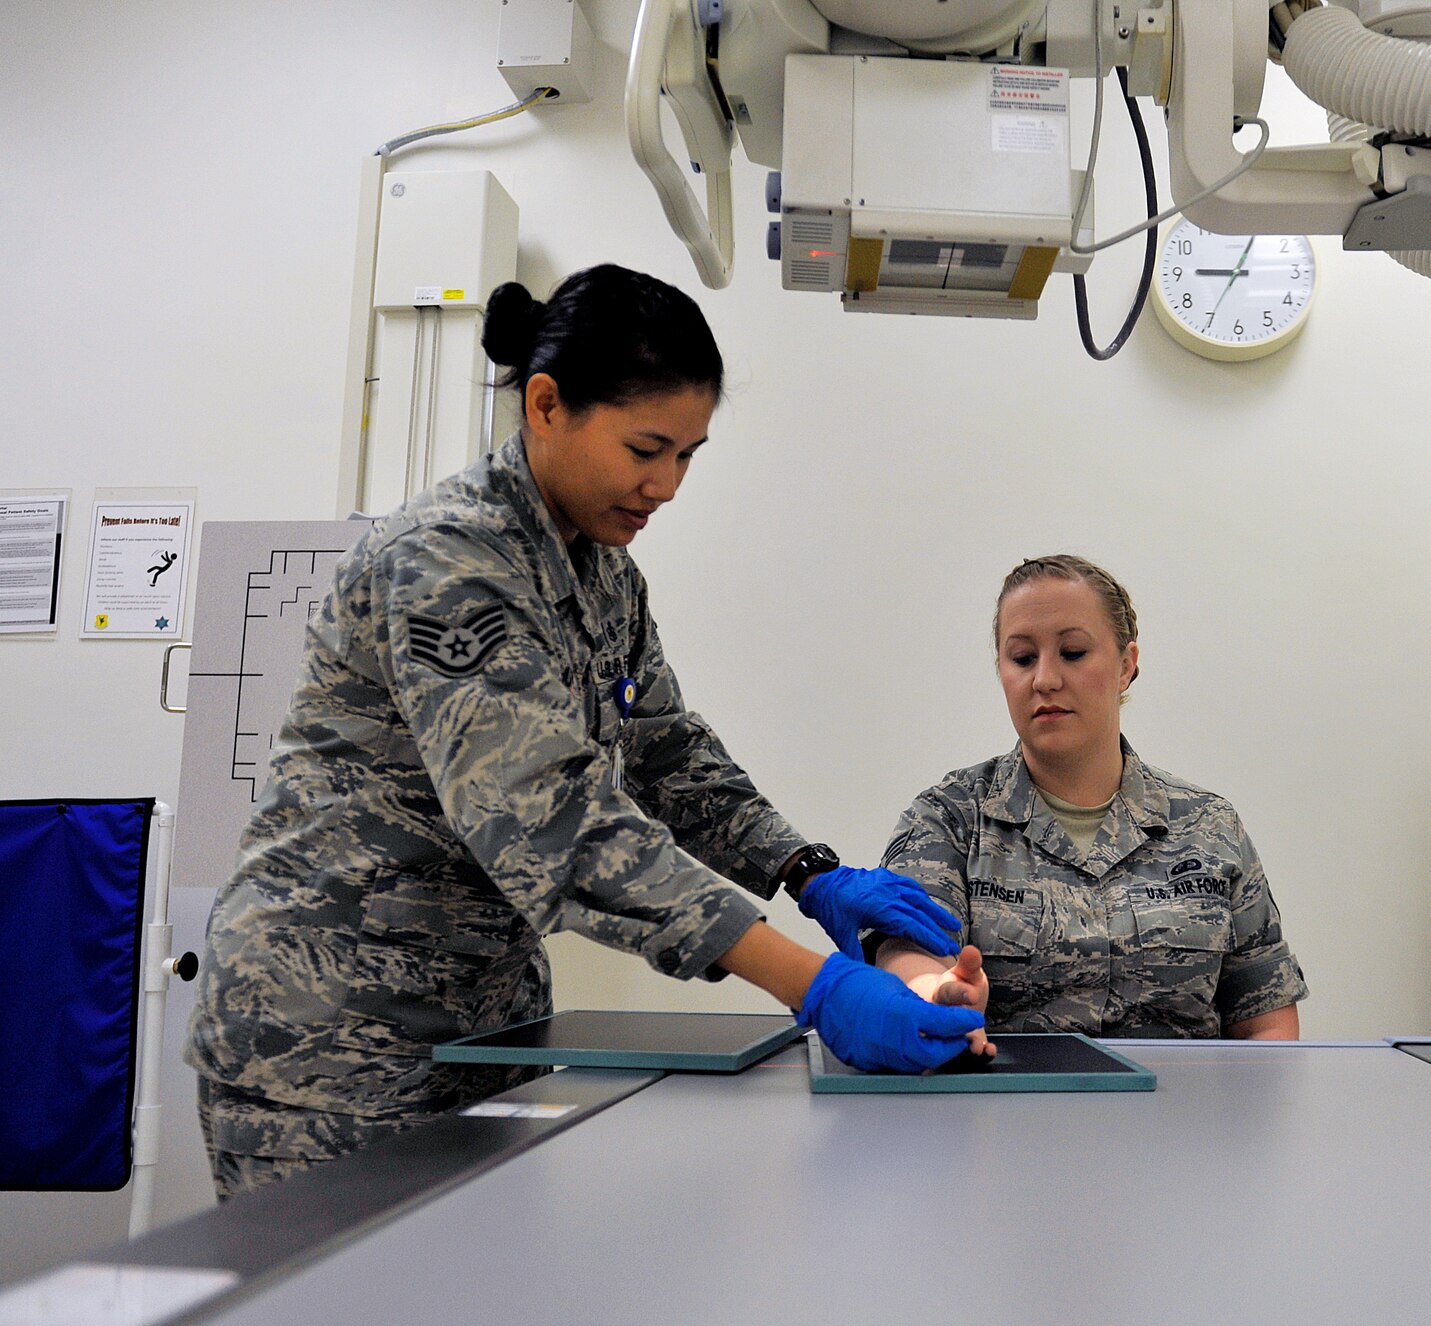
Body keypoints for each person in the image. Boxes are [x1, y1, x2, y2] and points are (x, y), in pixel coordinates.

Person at [185, 265, 981, 1199]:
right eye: (647, 447)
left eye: (689, 455)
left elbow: (667, 755)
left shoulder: (601, 569)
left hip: (483, 1031)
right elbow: (557, 825)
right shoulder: (447, 561)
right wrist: (811, 985)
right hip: (326, 1041)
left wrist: (813, 876)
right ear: (547, 404)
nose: (668, 485)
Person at [876, 555, 1307, 1041]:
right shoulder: (950, 819)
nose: (1045, 679)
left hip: (1183, 1111)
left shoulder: (1209, 827)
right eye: (1022, 659)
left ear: (1126, 666)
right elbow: (909, 950)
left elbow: (1266, 1019)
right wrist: (932, 990)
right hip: (1009, 1110)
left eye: (1074, 652)